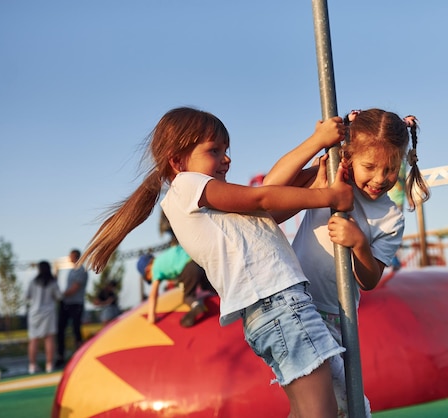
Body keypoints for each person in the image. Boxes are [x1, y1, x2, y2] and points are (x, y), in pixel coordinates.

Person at [79, 106, 354, 417]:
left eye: (226, 150)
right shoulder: (188, 185)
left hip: (272, 311)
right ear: (177, 160)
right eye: (214, 150)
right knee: (322, 412)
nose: (227, 158)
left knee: (309, 410)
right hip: (280, 306)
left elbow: (270, 210)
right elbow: (261, 197)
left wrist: (316, 178)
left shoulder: (210, 209)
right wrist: (328, 190)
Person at [263, 108, 431, 416]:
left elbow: (369, 280)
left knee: (320, 406)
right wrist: (317, 142)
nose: (381, 178)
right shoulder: (330, 177)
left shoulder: (390, 217)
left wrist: (359, 244)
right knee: (350, 408)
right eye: (370, 166)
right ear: (349, 156)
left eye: (391, 168)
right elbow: (268, 191)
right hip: (295, 305)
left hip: (338, 319)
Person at [137, 245, 216, 328]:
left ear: (148, 270)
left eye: (149, 278)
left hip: (188, 269)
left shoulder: (155, 269)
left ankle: (196, 305)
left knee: (188, 297)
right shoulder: (164, 258)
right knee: (207, 286)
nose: (152, 279)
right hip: (196, 261)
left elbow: (153, 295)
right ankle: (220, 293)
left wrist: (151, 316)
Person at [25, 261, 62, 374]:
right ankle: (49, 365)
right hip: (48, 313)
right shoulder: (52, 282)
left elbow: (27, 296)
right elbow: (59, 297)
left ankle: (32, 366)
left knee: (33, 339)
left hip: (34, 313)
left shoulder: (33, 282)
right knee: (49, 338)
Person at [55, 248, 88, 368]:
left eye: (71, 256)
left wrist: (60, 295)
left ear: (76, 257)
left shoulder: (81, 271)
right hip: (66, 304)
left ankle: (80, 356)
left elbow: (75, 288)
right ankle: (60, 356)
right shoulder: (71, 271)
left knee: (76, 330)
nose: (69, 258)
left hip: (75, 304)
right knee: (60, 330)